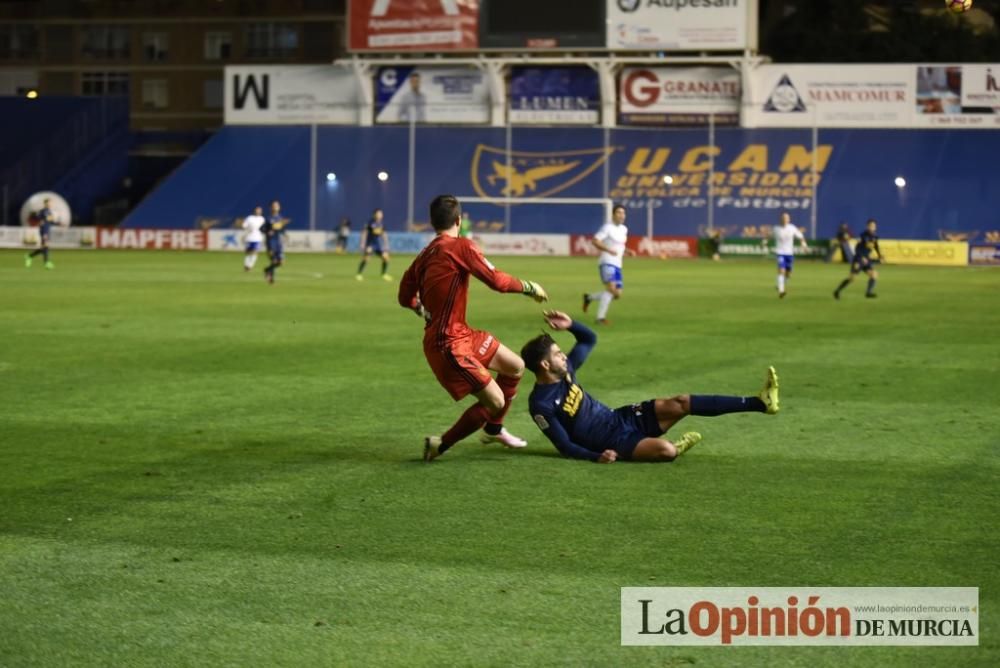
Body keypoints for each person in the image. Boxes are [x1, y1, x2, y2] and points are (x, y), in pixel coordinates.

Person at [397, 194, 550, 462]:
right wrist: (529, 287)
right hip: (448, 345)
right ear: (459, 220)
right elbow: (497, 281)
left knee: (515, 366)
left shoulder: (423, 256)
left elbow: (404, 296)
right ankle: (439, 445)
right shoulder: (460, 246)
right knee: (497, 401)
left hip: (460, 334)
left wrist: (419, 307)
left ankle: (493, 430)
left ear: (432, 222)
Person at [520, 310, 780, 463]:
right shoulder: (540, 404)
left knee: (681, 402)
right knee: (666, 451)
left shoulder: (567, 371)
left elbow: (589, 339)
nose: (564, 355)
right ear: (544, 365)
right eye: (557, 354)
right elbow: (563, 445)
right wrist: (596, 457)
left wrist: (571, 324)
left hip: (618, 417)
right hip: (611, 441)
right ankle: (677, 446)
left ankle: (760, 402)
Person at [582, 204, 635, 325]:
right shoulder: (607, 227)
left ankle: (589, 298)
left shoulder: (624, 229)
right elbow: (595, 241)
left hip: (618, 264)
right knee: (611, 289)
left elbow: (619, 245)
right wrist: (608, 250)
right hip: (607, 261)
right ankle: (600, 318)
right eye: (618, 213)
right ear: (613, 214)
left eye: (623, 213)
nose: (621, 215)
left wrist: (628, 251)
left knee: (617, 294)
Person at [834, 218, 882, 300]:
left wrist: (880, 255)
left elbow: (876, 246)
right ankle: (837, 291)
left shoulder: (875, 236)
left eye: (873, 226)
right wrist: (861, 257)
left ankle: (868, 293)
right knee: (852, 278)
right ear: (867, 226)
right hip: (859, 259)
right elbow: (857, 248)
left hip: (866, 259)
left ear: (875, 227)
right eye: (870, 226)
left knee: (874, 274)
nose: (872, 227)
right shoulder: (863, 235)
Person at [765, 211, 808, 298]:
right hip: (780, 252)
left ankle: (780, 284)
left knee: (788, 273)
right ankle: (781, 291)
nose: (785, 219)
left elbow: (801, 237)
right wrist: (764, 242)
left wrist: (804, 245)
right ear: (780, 219)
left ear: (789, 219)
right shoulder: (776, 228)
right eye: (783, 218)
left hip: (789, 253)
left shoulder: (792, 228)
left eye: (786, 218)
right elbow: (768, 236)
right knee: (781, 270)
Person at [356, 208, 391, 281]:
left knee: (386, 257)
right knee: (366, 258)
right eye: (378, 214)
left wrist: (386, 244)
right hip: (370, 244)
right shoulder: (370, 223)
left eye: (381, 214)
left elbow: (384, 234)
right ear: (374, 214)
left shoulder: (381, 224)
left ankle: (384, 274)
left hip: (378, 245)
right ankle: (359, 274)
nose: (380, 215)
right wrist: (362, 243)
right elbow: (364, 233)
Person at [261, 200, 288, 284]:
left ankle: (267, 270)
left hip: (278, 243)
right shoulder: (268, 218)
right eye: (274, 205)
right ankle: (271, 280)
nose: (276, 207)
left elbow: (281, 228)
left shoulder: (280, 218)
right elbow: (261, 228)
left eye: (277, 205)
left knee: (281, 262)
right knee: (274, 261)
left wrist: (284, 234)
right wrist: (267, 231)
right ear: (271, 208)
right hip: (270, 242)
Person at [25, 198, 56, 270]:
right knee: (45, 246)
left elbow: (51, 220)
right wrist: (44, 220)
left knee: (44, 248)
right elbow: (46, 218)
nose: (50, 204)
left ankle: (29, 256)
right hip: (44, 230)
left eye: (50, 203)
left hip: (47, 230)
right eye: (49, 203)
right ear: (45, 203)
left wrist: (55, 221)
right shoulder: (43, 211)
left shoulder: (49, 211)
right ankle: (47, 263)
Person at [241, 206, 266, 271]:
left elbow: (265, 228)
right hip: (249, 238)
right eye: (257, 210)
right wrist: (246, 230)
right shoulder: (249, 218)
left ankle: (250, 266)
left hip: (257, 238)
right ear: (254, 210)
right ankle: (246, 265)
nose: (258, 211)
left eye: (260, 210)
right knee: (248, 253)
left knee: (255, 252)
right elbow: (244, 226)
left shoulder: (262, 219)